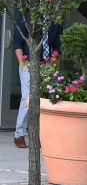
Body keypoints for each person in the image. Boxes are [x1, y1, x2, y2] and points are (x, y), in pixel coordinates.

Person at [12, 12, 63, 149]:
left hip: (46, 64)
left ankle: (38, 135)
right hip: (28, 62)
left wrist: (54, 62)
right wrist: (22, 64)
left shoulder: (56, 19)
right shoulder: (28, 16)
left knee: (44, 99)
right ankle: (19, 134)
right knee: (28, 98)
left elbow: (57, 45)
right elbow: (18, 42)